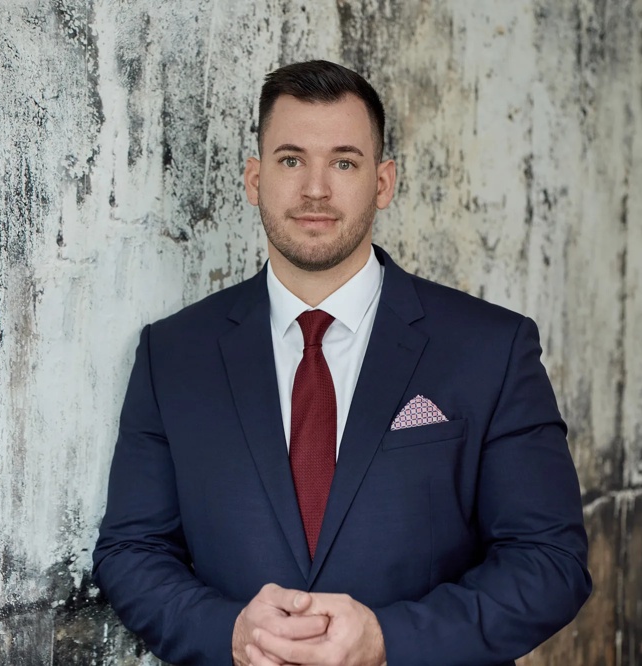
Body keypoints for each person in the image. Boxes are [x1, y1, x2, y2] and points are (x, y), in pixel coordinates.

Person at [92, 60, 591, 666]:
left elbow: (550, 562)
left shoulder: (491, 348)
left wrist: (388, 639)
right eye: (291, 159)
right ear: (254, 178)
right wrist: (230, 634)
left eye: (345, 162)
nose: (316, 189)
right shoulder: (172, 354)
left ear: (383, 182)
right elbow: (132, 549)